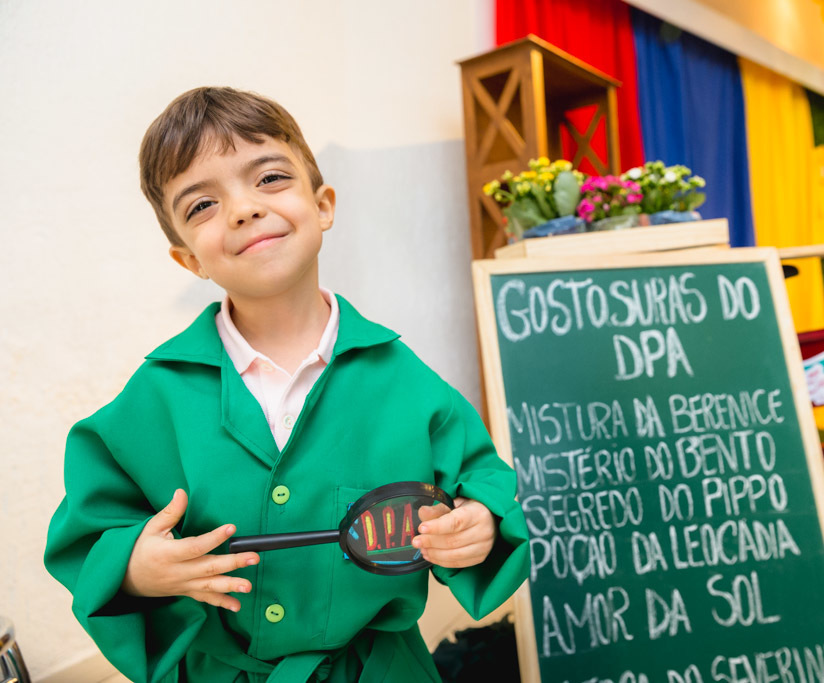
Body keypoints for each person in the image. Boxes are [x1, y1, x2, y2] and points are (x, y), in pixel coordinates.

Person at [44, 86, 529, 682]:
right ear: (188, 259)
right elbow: (88, 535)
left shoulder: (408, 383)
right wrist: (136, 567)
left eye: (269, 178)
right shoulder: (153, 397)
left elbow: (485, 490)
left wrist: (476, 523)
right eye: (201, 206)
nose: (244, 208)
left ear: (322, 204)